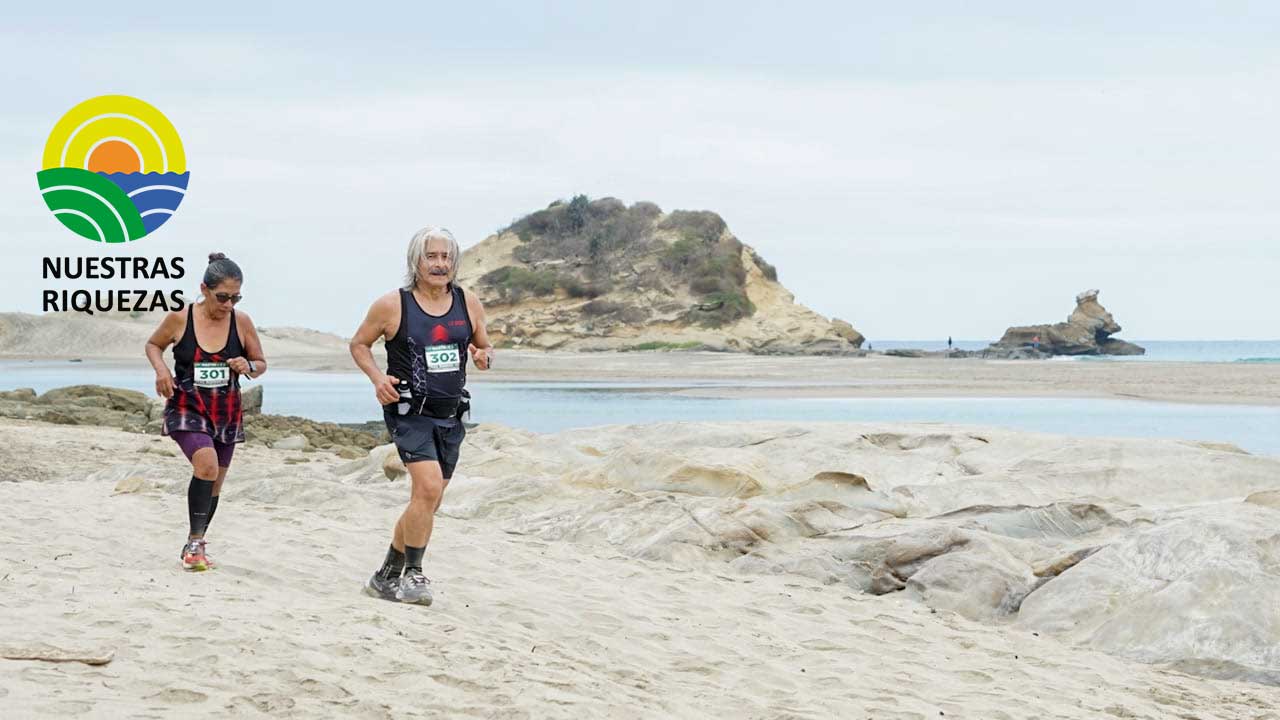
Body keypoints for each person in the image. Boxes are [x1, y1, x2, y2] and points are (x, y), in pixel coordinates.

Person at [350, 227, 493, 605]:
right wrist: (377, 378)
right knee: (427, 490)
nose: (440, 264)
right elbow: (359, 344)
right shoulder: (392, 305)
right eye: (432, 256)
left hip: (451, 414)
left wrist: (483, 356)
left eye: (446, 257)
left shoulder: (468, 302)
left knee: (428, 502)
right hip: (409, 412)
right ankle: (413, 575)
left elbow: (483, 345)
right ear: (416, 261)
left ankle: (385, 576)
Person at [145, 253, 267, 571]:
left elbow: (260, 363)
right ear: (204, 289)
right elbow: (153, 345)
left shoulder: (241, 322)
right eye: (222, 297)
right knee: (206, 465)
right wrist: (161, 371)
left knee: (214, 482)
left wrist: (248, 365)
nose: (228, 304)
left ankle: (195, 541)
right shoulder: (180, 318)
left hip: (226, 411)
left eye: (235, 298)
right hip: (187, 405)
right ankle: (195, 545)